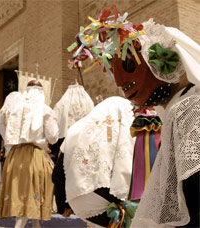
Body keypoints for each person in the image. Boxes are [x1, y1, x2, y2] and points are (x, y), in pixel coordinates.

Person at [68, 6, 200, 227]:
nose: (120, 83)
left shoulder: (188, 109)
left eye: (129, 65)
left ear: (159, 61)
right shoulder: (180, 108)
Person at [61, 96, 136, 227]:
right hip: (110, 199)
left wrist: (63, 204)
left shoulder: (77, 128)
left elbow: (57, 173)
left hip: (79, 201)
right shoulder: (127, 130)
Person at [0, 81, 59, 228]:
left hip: (15, 156)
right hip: (33, 156)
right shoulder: (45, 110)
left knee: (21, 193)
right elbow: (54, 137)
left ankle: (36, 225)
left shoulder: (13, 108)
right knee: (31, 193)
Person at [51, 82, 94, 217]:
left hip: (67, 141)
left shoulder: (62, 103)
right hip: (86, 142)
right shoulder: (88, 101)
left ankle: (65, 207)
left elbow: (54, 124)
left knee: (62, 175)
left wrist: (53, 148)